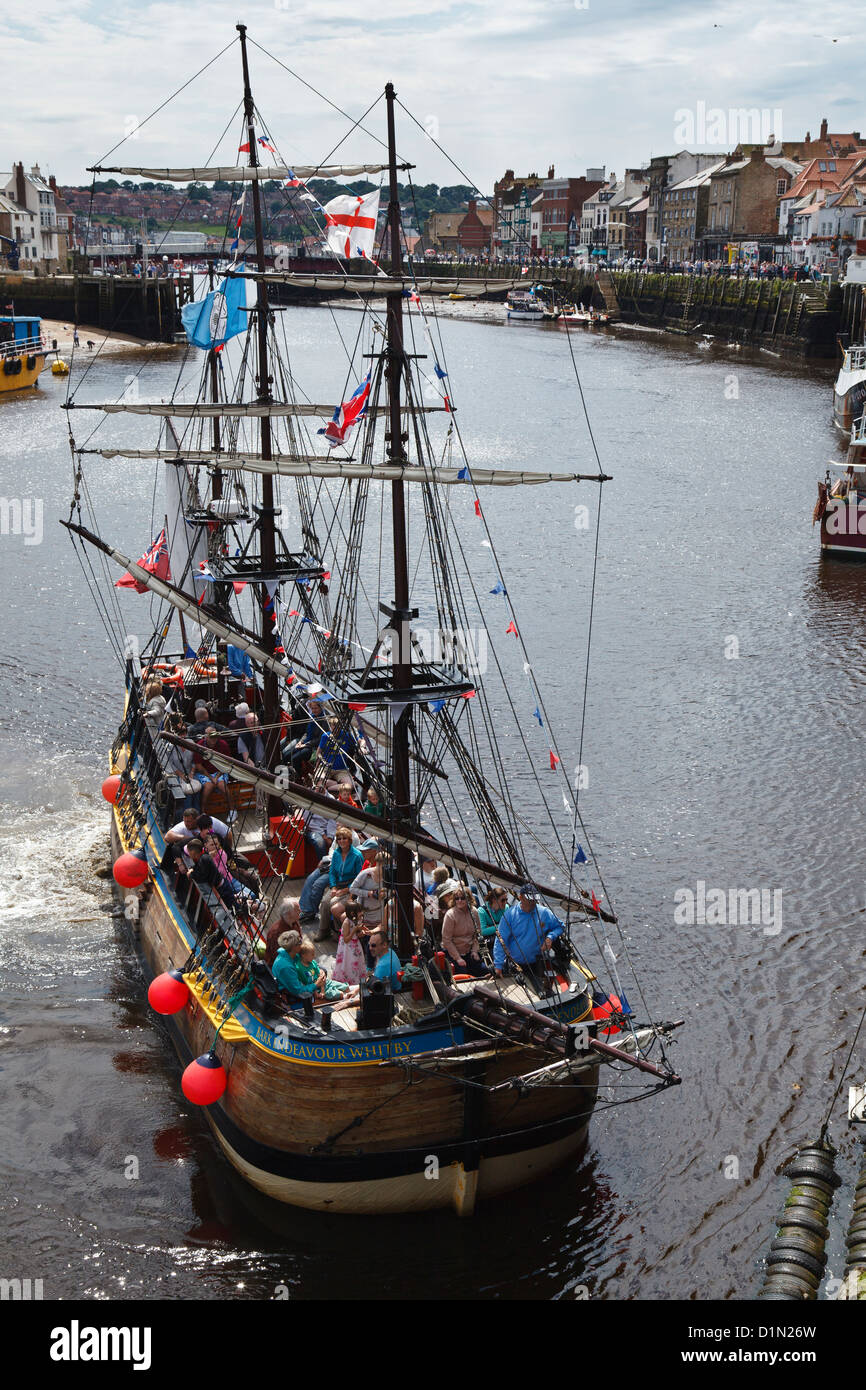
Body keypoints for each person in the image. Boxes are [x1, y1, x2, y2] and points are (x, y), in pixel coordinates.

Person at [493, 884, 563, 982]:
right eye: (529, 899)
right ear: (520, 897)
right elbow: (500, 939)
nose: (532, 902)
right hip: (516, 965)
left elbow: (559, 926)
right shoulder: (509, 915)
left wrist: (550, 937)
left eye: (535, 899)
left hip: (538, 963)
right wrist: (498, 965)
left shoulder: (544, 912)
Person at [315, 825, 364, 941]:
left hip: (351, 888)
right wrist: (333, 887)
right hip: (338, 886)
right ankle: (324, 930)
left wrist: (347, 889)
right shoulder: (336, 854)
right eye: (339, 839)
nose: (342, 841)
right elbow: (332, 872)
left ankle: (339, 931)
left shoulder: (357, 856)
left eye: (344, 838)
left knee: (333, 905)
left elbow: (359, 878)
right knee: (325, 902)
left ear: (350, 840)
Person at [441, 887, 488, 976]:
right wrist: (458, 958)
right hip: (453, 953)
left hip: (470, 952)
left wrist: (474, 951)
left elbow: (477, 934)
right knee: (463, 973)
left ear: (468, 899)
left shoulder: (474, 912)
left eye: (462, 898)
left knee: (485, 970)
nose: (459, 901)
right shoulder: (450, 915)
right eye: (457, 898)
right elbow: (446, 940)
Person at [297, 938, 353, 1002]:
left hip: (325, 984)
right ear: (303, 955)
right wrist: (316, 993)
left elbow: (321, 977)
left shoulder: (313, 963)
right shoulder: (300, 968)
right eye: (312, 954)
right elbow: (307, 983)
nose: (314, 956)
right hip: (316, 989)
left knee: (346, 988)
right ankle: (346, 997)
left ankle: (352, 992)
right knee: (340, 994)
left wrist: (322, 989)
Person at [271, 930, 317, 1002]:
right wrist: (316, 984)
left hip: (295, 983)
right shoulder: (286, 967)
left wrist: (319, 969)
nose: (302, 943)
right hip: (290, 993)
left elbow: (308, 961)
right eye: (300, 942)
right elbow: (298, 991)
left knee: (323, 971)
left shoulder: (289, 953)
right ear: (294, 947)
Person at [193, 726, 232, 811]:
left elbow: (226, 763)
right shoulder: (200, 745)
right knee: (208, 786)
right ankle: (203, 811)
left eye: (215, 737)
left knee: (222, 786)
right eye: (211, 738)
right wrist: (211, 778)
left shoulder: (223, 744)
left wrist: (217, 777)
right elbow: (199, 766)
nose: (214, 740)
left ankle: (232, 809)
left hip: (220, 771)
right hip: (204, 772)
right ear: (206, 737)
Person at [333, 900, 368, 986]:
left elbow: (357, 934)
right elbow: (346, 939)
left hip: (356, 945)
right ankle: (348, 980)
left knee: (357, 961)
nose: (361, 913)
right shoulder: (347, 922)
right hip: (347, 947)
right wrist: (355, 930)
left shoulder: (357, 919)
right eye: (359, 911)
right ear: (353, 913)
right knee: (349, 962)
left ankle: (358, 979)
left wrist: (361, 932)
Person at [264, 901, 300, 967]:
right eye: (297, 909)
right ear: (289, 914)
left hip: (296, 958)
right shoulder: (276, 933)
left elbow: (300, 942)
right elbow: (277, 956)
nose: (300, 911)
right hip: (283, 965)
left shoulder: (294, 923)